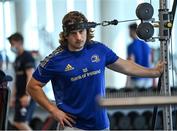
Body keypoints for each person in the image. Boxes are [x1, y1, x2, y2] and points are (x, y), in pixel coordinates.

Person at [27, 11, 164, 130]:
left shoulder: (99, 49)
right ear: (66, 35)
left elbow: (125, 66)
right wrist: (53, 110)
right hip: (72, 126)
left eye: (81, 32)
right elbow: (33, 86)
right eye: (74, 34)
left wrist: (154, 72)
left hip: (101, 124)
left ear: (87, 31)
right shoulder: (55, 60)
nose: (79, 38)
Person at [8, 33, 36, 130]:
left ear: (19, 42)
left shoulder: (27, 57)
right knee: (20, 124)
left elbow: (30, 76)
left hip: (27, 96)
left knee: (19, 123)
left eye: (12, 44)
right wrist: (12, 97)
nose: (11, 47)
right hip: (19, 96)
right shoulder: (17, 59)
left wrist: (27, 95)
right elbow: (17, 79)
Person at [126, 23, 153, 88]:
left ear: (133, 31)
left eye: (129, 31)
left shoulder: (131, 46)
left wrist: (127, 83)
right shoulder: (146, 45)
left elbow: (130, 64)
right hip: (147, 79)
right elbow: (150, 63)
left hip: (136, 80)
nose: (128, 33)